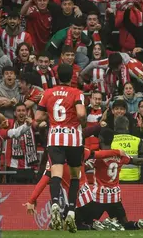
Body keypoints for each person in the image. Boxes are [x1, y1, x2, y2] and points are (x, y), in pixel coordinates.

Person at [35, 64, 86, 232]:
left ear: (57, 76)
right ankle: (71, 211)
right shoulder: (77, 93)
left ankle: (55, 203)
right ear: (72, 76)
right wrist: (82, 123)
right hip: (73, 139)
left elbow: (38, 117)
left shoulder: (48, 93)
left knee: (55, 172)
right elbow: (80, 113)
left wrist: (48, 118)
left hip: (55, 137)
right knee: (74, 176)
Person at [89, 128, 143, 230]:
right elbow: (137, 161)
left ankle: (104, 224)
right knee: (125, 224)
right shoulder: (119, 155)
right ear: (112, 140)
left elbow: (83, 166)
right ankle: (138, 224)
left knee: (84, 223)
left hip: (99, 198)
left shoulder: (97, 157)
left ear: (100, 139)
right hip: (115, 197)